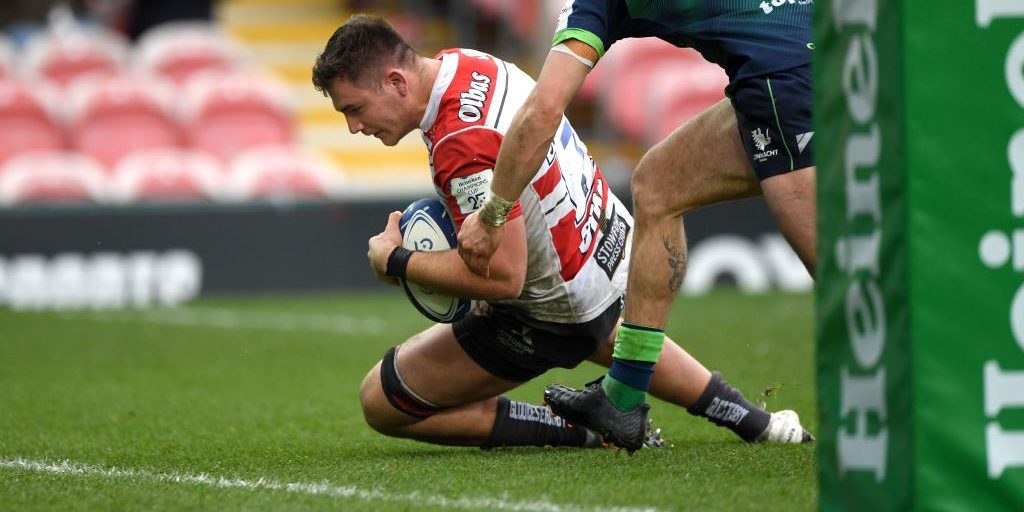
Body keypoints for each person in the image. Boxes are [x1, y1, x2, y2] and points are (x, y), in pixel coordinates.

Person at [311, 14, 810, 451]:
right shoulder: (465, 63)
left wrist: (397, 261)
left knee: (381, 399)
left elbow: (504, 278)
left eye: (354, 109)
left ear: (396, 81)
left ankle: (579, 430)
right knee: (607, 333)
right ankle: (758, 423)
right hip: (604, 247)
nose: (354, 127)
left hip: (555, 313)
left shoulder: (459, 142)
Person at [456, 1, 816, 450]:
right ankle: (622, 398)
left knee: (841, 277)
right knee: (660, 184)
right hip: (817, 58)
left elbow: (544, 109)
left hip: (786, 84)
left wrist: (494, 213)